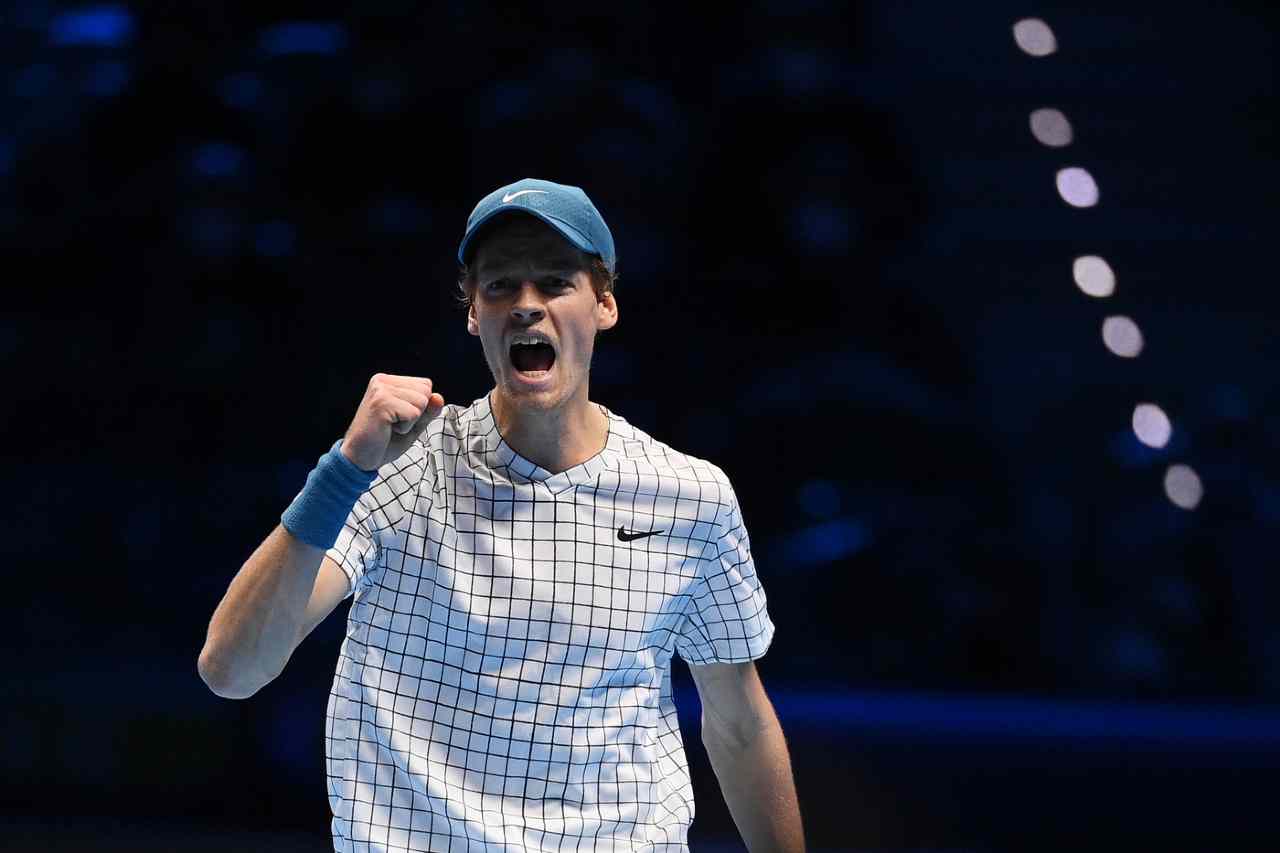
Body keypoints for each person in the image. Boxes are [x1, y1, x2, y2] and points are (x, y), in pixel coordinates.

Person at [198, 178, 806, 852]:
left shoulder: (691, 495)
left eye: (555, 282)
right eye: (500, 286)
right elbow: (232, 670)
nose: (525, 305)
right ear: (473, 314)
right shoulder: (397, 466)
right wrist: (344, 470)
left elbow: (740, 724)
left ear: (604, 303)